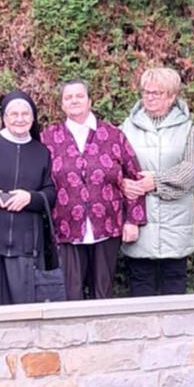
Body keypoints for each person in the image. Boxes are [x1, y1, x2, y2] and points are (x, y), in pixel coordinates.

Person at [42, 79, 145, 301]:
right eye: (68, 97)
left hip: (107, 225)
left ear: (90, 101)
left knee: (103, 292)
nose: (74, 101)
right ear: (62, 105)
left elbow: (134, 177)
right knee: (72, 293)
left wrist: (133, 220)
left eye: (79, 96)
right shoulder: (48, 138)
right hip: (66, 227)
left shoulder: (113, 135)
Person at [0, 90, 57, 307]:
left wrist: (30, 197)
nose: (20, 119)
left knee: (24, 312)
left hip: (26, 247)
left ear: (33, 118)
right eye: (14, 114)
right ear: (4, 118)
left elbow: (50, 193)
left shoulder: (42, 152)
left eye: (25, 114)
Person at [120, 66, 194, 296]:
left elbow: (191, 169)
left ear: (171, 96)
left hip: (175, 223)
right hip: (140, 220)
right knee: (140, 284)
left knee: (174, 284)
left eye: (156, 93)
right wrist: (123, 184)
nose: (149, 97)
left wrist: (156, 182)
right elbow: (114, 165)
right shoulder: (126, 128)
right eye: (146, 92)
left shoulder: (187, 129)